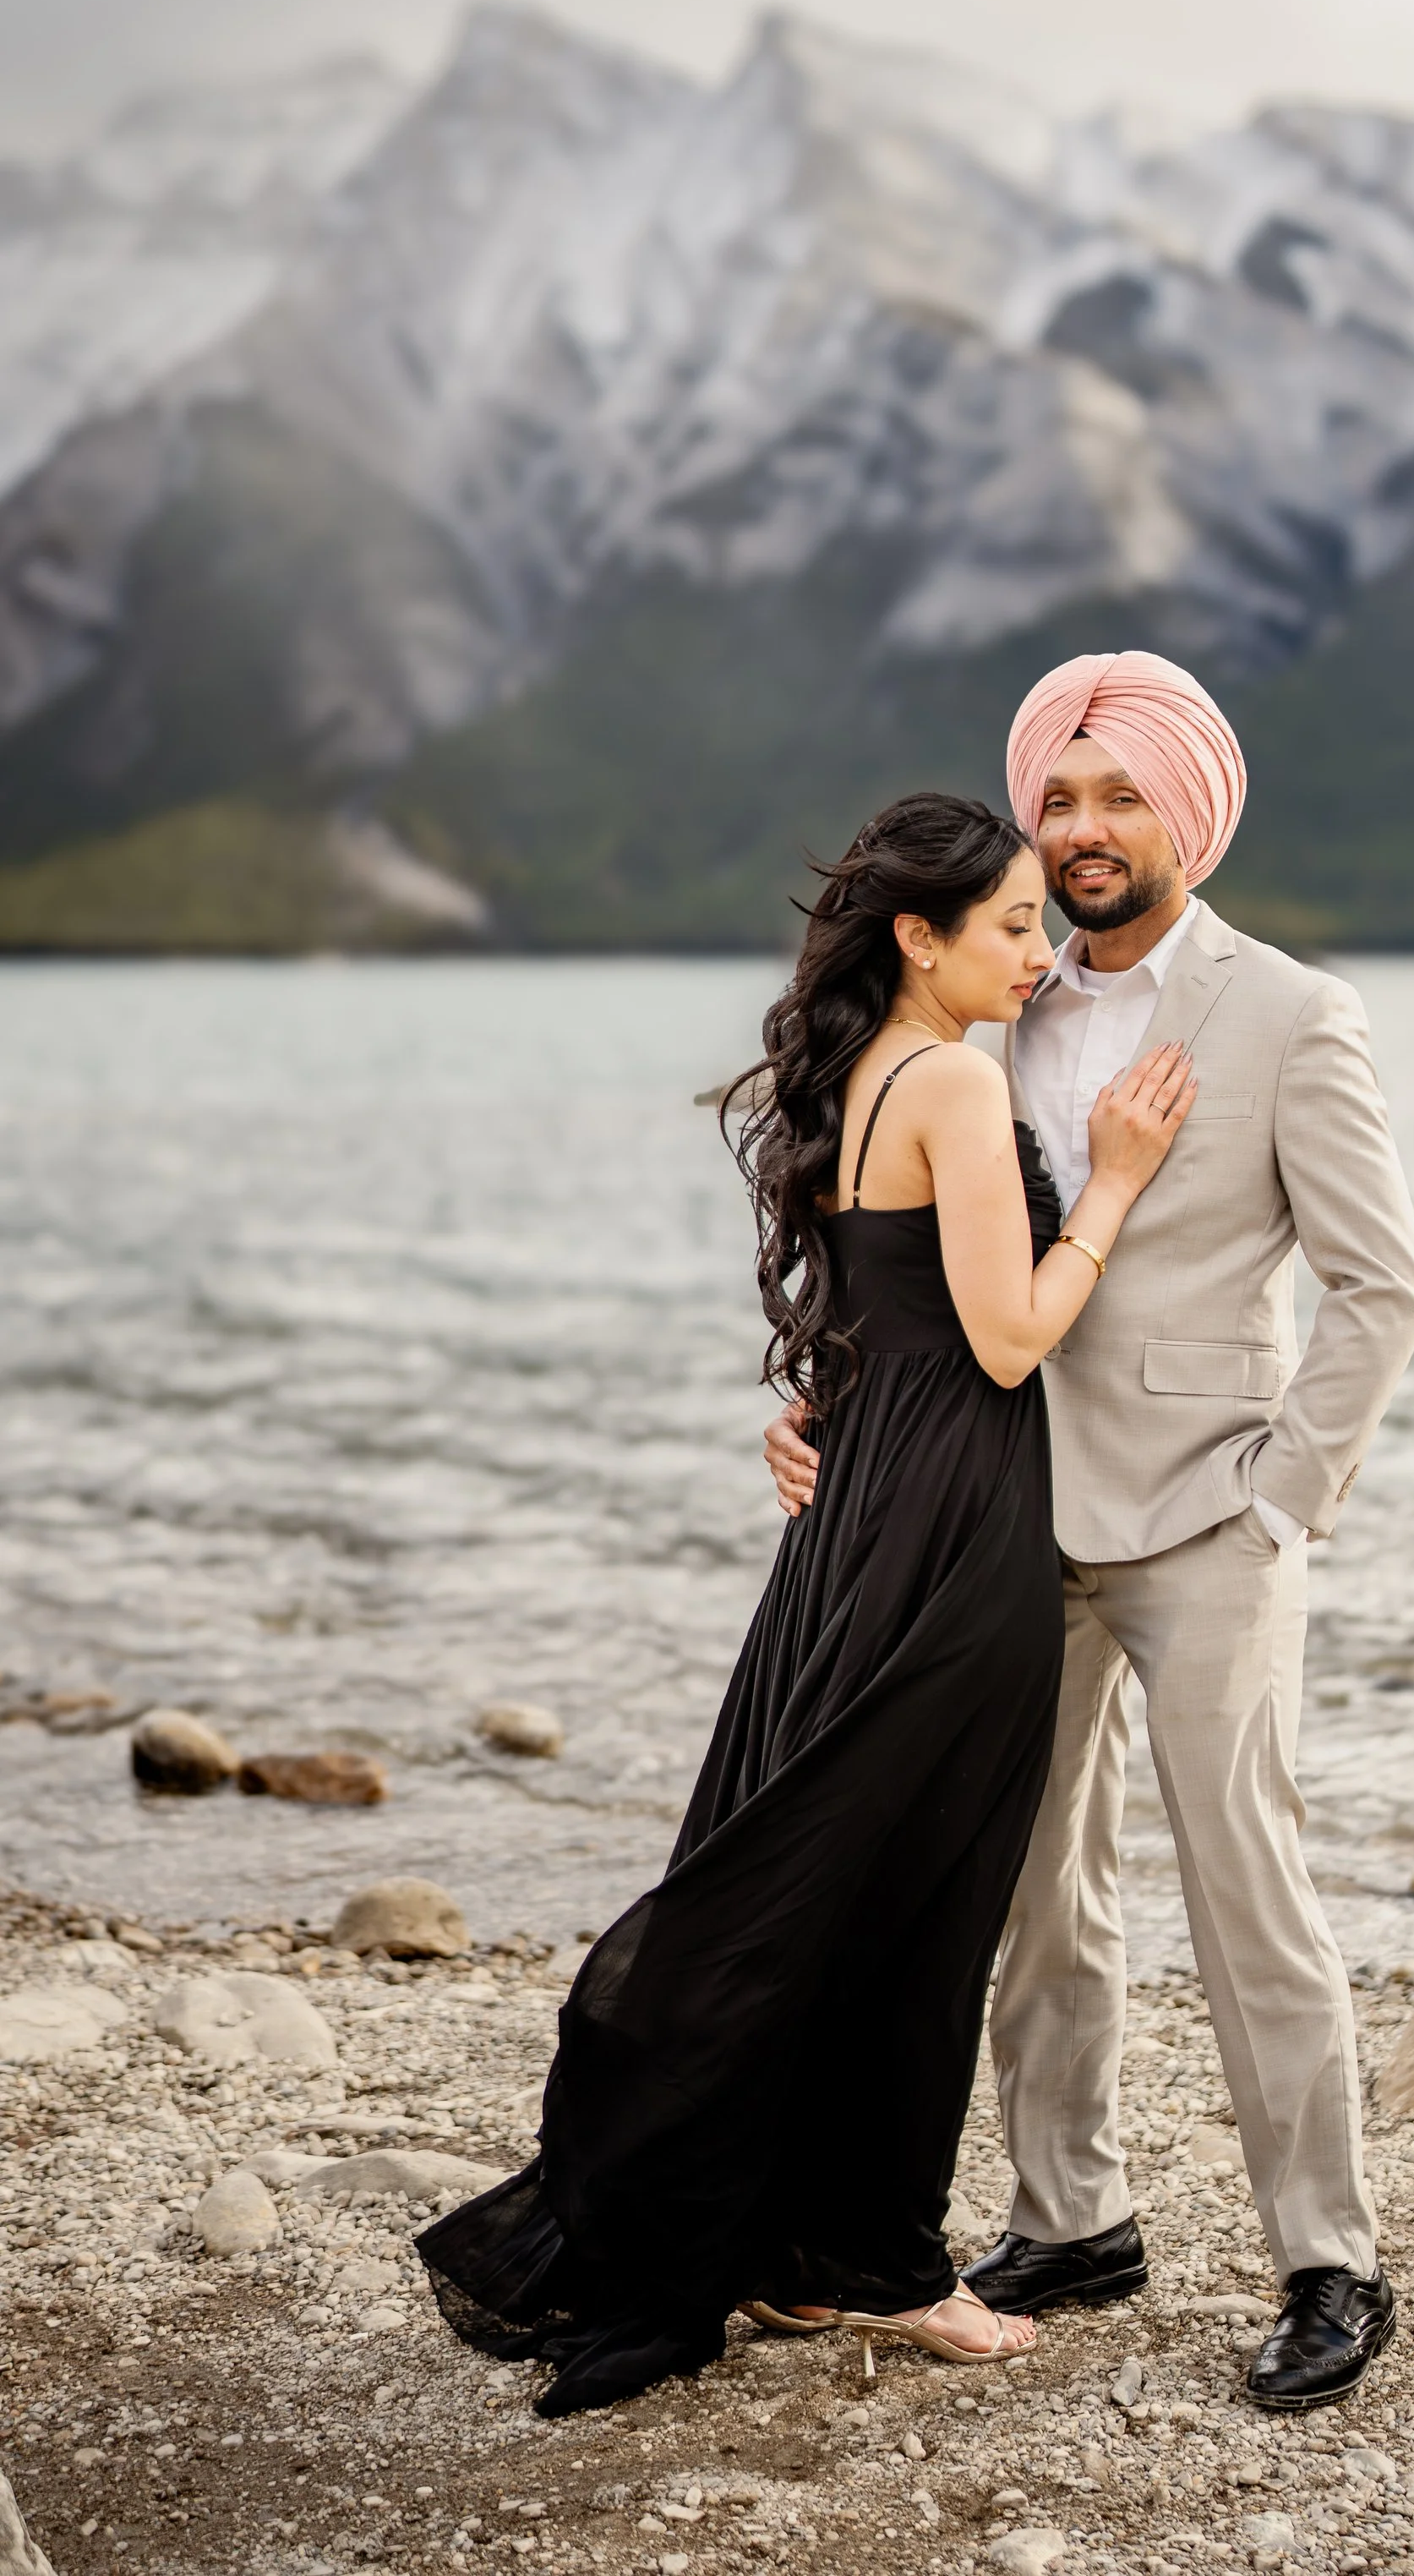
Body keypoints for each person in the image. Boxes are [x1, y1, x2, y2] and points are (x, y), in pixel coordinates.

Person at [418, 791, 1194, 2415]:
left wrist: (811, 1420)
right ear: (922, 938)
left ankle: (803, 2250)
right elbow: (1003, 1337)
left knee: (826, 1865)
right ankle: (883, 2266)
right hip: (958, 1527)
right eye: (1008, 926)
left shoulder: (858, 1075)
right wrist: (1115, 1179)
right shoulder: (962, 1084)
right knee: (921, 1890)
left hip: (860, 1516)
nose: (1038, 951)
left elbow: (876, 1322)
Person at [767, 653, 1414, 2412]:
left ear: (1189, 811)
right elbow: (926, 1244)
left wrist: (1280, 1502)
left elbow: (1382, 1293)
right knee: (1031, 1890)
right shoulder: (1000, 1001)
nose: (1080, 830)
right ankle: (1073, 2215)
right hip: (1001, 1516)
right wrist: (833, 1412)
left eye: (1117, 794)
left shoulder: (1290, 1015)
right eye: (1056, 799)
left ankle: (1327, 2258)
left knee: (1245, 1889)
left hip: (1209, 1519)